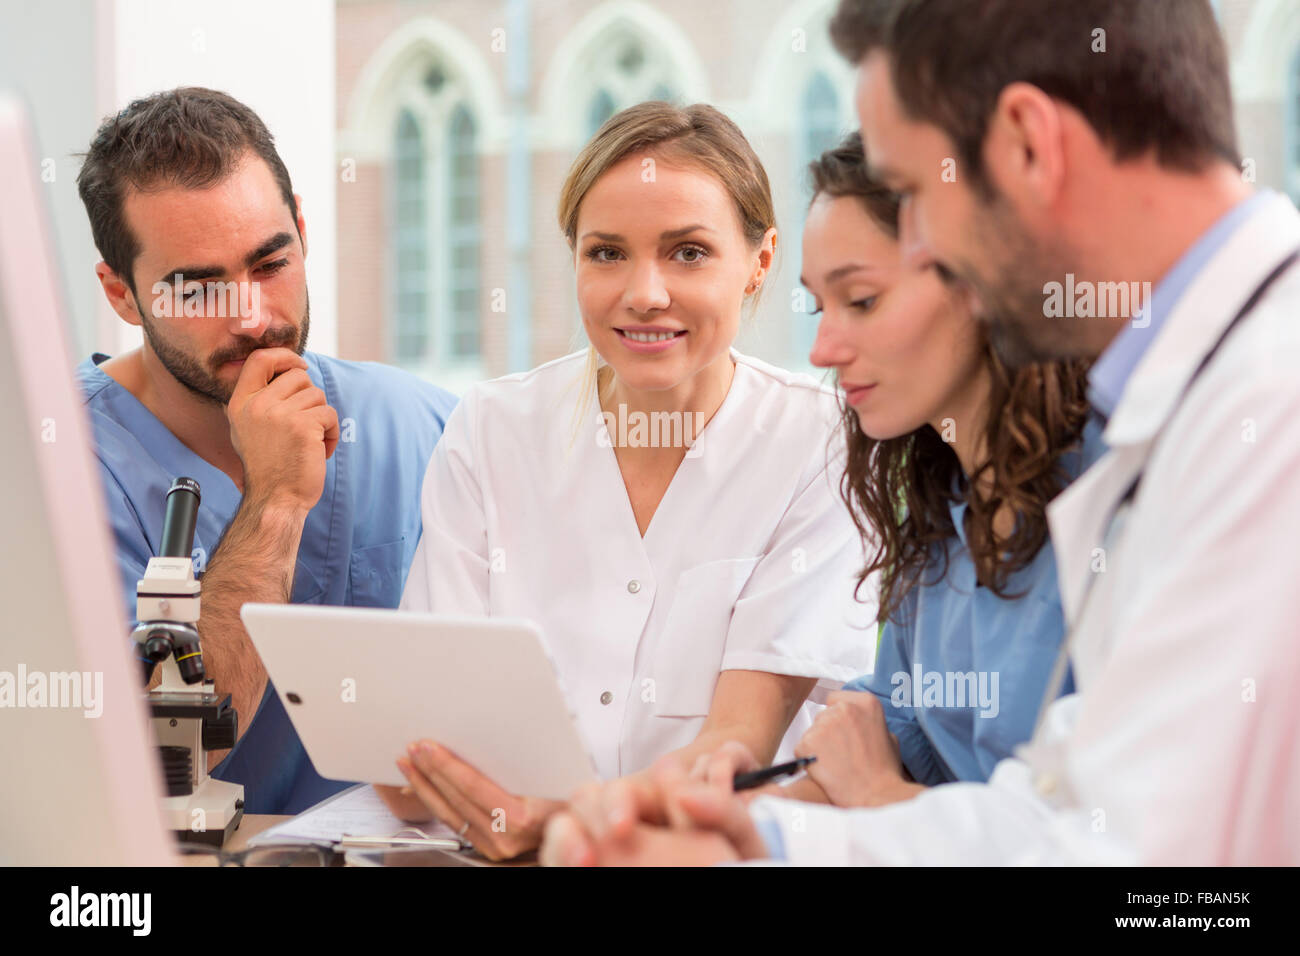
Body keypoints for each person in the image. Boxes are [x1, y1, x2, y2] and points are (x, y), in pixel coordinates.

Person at [540, 0, 1300, 865]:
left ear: (1026, 144)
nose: (923, 241)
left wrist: (790, 838)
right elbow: (1058, 813)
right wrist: (755, 836)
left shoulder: (1265, 418)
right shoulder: (1186, 413)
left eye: (909, 195)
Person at [379, 102, 876, 860]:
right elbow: (416, 742)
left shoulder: (822, 441)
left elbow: (735, 745)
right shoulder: (491, 429)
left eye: (688, 253)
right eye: (607, 253)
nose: (644, 293)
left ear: (761, 262)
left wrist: (567, 824)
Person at [75, 87, 457, 814]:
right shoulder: (57, 472)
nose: (251, 318)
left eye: (269, 264)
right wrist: (277, 502)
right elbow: (156, 769)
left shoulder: (421, 425)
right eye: (198, 288)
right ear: (123, 295)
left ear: (303, 231)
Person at [711, 132, 1103, 814]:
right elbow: (892, 739)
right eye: (817, 307)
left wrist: (876, 795)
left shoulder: (1118, 490)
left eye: (861, 301)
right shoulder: (941, 505)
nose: (825, 349)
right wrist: (712, 828)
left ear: (980, 281)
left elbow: (1114, 842)